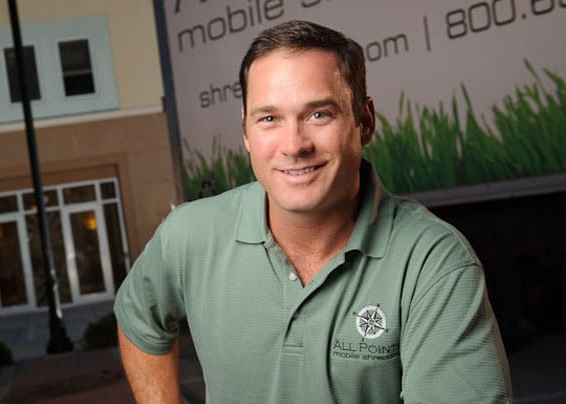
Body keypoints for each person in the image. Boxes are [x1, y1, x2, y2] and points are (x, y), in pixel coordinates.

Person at [113, 20, 512, 403]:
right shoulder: (190, 234)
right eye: (269, 118)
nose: (293, 144)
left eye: (319, 114)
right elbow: (137, 321)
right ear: (246, 132)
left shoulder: (433, 263)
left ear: (364, 121)